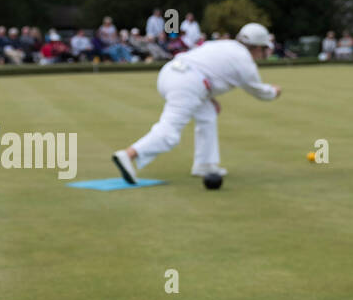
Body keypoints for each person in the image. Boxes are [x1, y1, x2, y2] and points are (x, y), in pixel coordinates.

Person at [112, 23, 281, 183]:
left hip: (170, 72)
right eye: (264, 48)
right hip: (188, 83)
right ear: (258, 47)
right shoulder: (245, 61)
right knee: (170, 131)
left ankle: (205, 165)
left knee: (207, 114)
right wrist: (274, 91)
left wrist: (209, 98)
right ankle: (129, 154)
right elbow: (259, 91)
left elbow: (207, 67)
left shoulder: (224, 44)